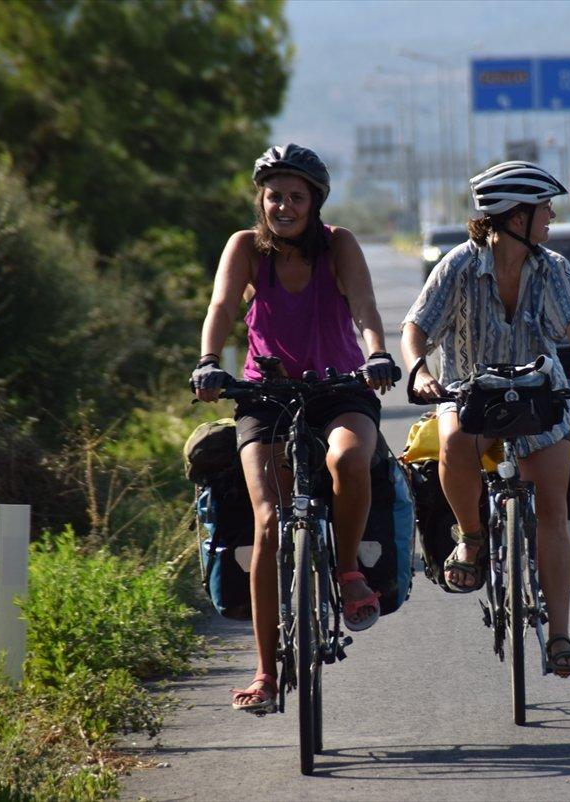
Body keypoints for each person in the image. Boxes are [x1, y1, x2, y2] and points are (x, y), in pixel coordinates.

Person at [190, 143, 397, 713]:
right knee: (269, 523)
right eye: (274, 195)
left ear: (314, 202)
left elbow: (365, 309)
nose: (283, 205)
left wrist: (377, 353)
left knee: (350, 461)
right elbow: (222, 308)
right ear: (262, 199)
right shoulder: (245, 249)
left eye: (295, 197)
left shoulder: (339, 246)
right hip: (266, 393)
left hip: (341, 388)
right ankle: (264, 671)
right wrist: (210, 361)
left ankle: (350, 571)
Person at [401, 161, 570, 677]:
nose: (550, 216)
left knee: (552, 510)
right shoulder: (457, 265)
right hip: (469, 396)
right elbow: (416, 327)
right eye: (544, 207)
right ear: (514, 215)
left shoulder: (555, 269)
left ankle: (560, 635)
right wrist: (419, 372)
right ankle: (472, 537)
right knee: (454, 441)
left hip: (539, 398)